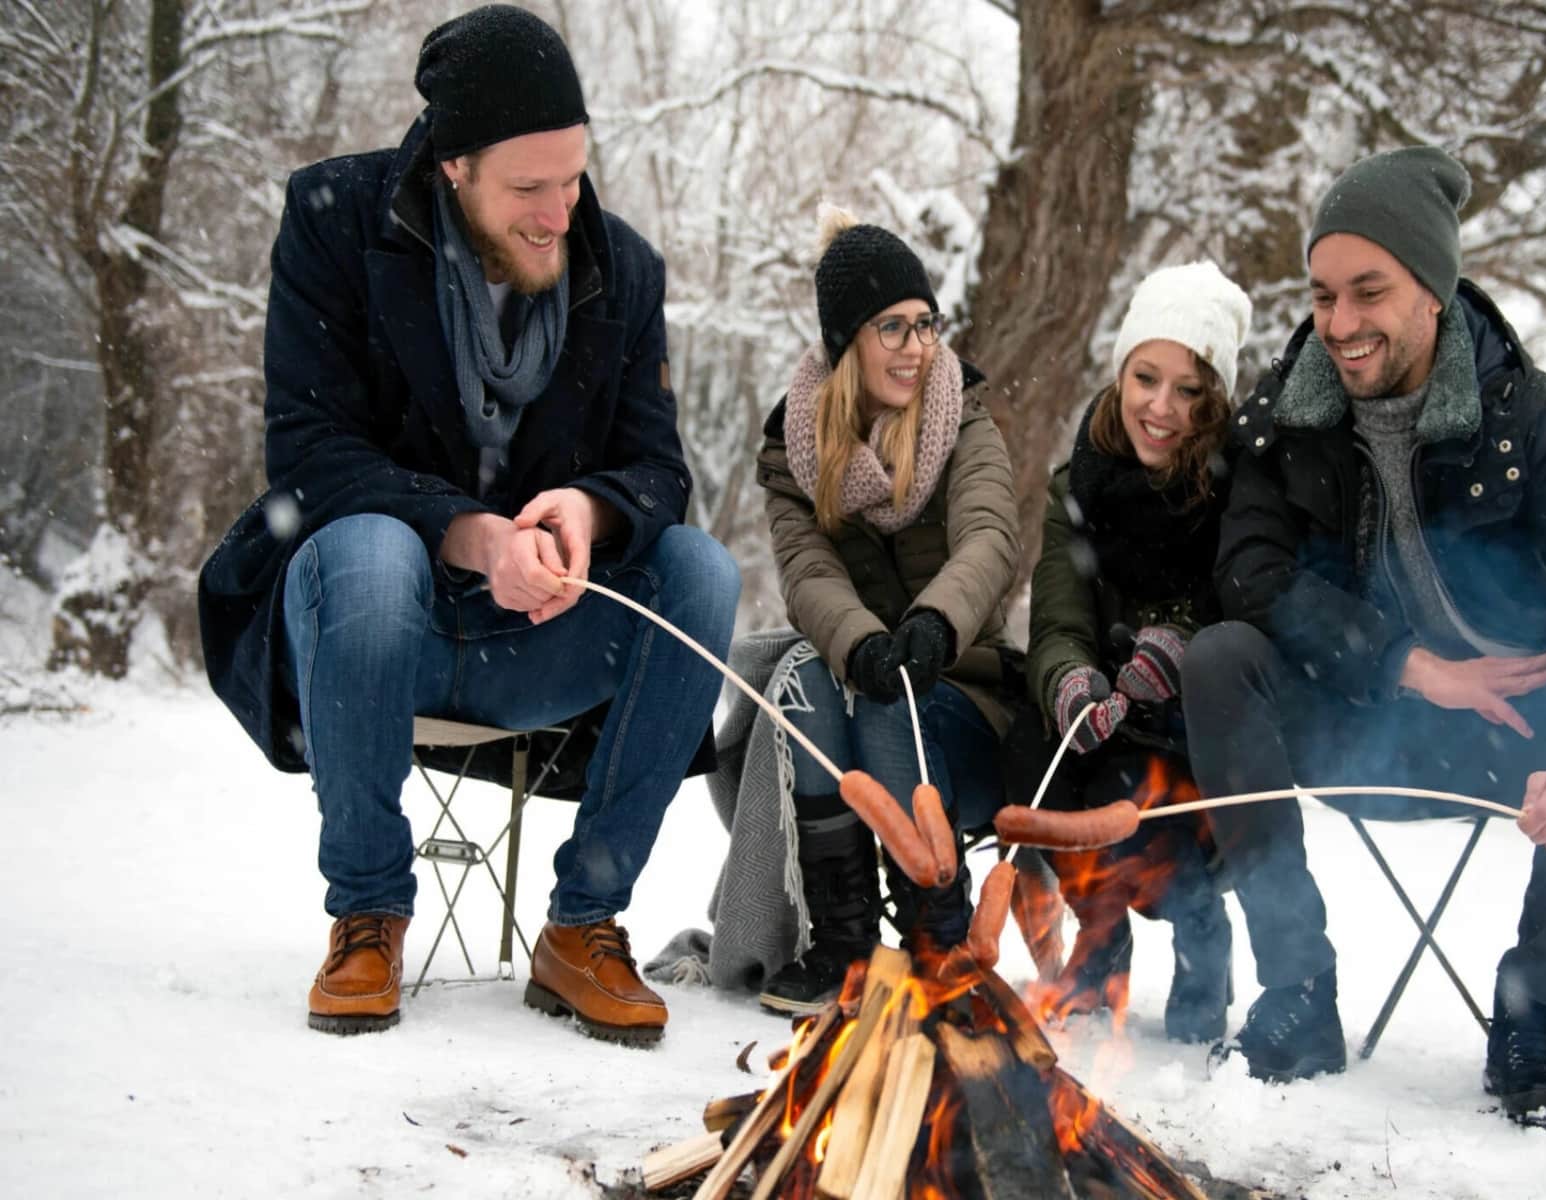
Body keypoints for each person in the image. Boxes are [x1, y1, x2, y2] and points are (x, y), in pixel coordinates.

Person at [196, 4, 738, 1046]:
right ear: (452, 167)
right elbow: (308, 457)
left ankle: (585, 925)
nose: (557, 212)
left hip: (532, 638)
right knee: (364, 543)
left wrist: (588, 511)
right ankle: (366, 913)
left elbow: (658, 469)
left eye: (573, 178)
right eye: (527, 188)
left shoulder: (621, 269)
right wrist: (474, 534)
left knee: (700, 572)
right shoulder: (334, 221)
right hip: (360, 629)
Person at [1188, 146, 1546, 1129]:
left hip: (1510, 736)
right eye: (1323, 294)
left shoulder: (1514, 416)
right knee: (1220, 660)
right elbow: (1252, 573)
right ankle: (1298, 989)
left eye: (1367, 292)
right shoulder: (1285, 413)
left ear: (1432, 290)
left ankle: (1529, 1016)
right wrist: (1407, 665)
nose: (1338, 324)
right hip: (1357, 719)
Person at [747, 208, 1021, 1014]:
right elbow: (807, 569)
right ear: (846, 344)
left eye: (925, 325)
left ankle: (941, 938)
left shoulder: (964, 417)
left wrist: (935, 623)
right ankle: (843, 940)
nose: (916, 347)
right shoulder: (794, 448)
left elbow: (990, 535)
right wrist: (863, 643)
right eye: (891, 328)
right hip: (860, 680)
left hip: (967, 700)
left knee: (891, 704)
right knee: (809, 678)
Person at [1009, 262, 1252, 1044]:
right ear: (1120, 375)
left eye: (1189, 389)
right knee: (1044, 764)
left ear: (1214, 400)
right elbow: (1057, 616)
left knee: (1144, 806)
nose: (1161, 406)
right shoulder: (1078, 482)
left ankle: (1202, 939)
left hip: (1197, 729)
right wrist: (1071, 679)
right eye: (1146, 377)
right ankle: (1099, 946)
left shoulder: (1237, 490)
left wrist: (1177, 645)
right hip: (1100, 712)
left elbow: (1245, 600)